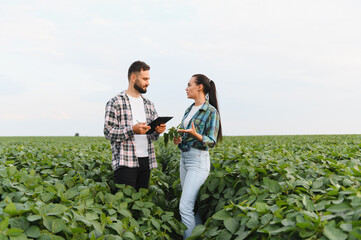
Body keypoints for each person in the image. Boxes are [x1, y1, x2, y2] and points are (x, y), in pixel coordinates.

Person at [104, 61, 166, 191]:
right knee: (125, 203)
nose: (148, 82)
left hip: (146, 161)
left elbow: (153, 137)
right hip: (125, 161)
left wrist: (158, 130)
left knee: (140, 201)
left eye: (148, 79)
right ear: (133, 78)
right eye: (144, 79)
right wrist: (132, 130)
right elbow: (108, 132)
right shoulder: (116, 102)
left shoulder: (149, 104)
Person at [173, 74, 222, 239]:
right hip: (184, 159)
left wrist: (196, 135)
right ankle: (201, 235)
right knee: (191, 207)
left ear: (199, 87)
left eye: (189, 85)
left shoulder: (211, 111)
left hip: (198, 161)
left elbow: (212, 141)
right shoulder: (189, 109)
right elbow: (186, 134)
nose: (186, 88)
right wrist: (178, 139)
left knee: (184, 207)